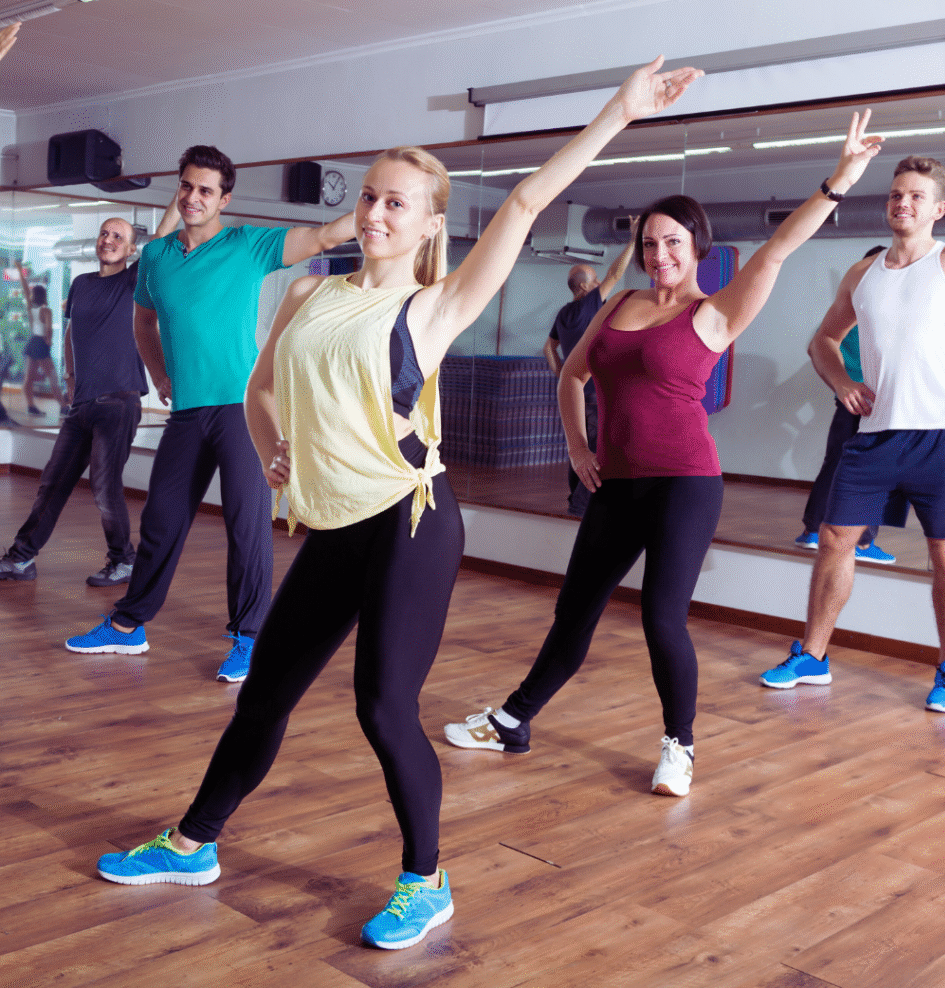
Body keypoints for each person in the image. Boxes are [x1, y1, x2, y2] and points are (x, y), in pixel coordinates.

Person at [90, 56, 703, 951]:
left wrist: (620, 111)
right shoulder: (311, 292)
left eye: (397, 204)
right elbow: (262, 390)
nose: (377, 214)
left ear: (428, 224)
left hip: (412, 521)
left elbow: (526, 202)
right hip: (336, 527)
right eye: (371, 197)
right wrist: (274, 452)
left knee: (382, 707)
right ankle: (192, 844)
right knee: (264, 695)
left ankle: (427, 879)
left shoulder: (435, 306)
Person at [445, 113, 883, 800]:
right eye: (650, 243)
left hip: (685, 483)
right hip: (616, 484)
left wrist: (838, 182)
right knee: (574, 612)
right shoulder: (618, 302)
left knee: (660, 618)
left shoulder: (715, 311)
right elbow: (572, 375)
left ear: (697, 246)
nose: (660, 254)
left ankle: (680, 745)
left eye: (672, 242)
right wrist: (578, 446)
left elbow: (776, 250)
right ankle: (512, 722)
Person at [65, 145, 357, 682]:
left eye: (206, 190)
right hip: (187, 413)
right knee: (161, 520)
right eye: (187, 186)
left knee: (247, 526)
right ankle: (128, 626)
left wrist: (377, 207)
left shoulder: (248, 244)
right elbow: (143, 323)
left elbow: (324, 237)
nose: (193, 197)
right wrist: (159, 374)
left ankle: (249, 637)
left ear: (224, 199)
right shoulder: (156, 256)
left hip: (242, 409)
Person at [760, 154, 945, 714]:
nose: (902, 203)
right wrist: (842, 383)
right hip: (876, 434)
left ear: (938, 209)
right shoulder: (864, 273)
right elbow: (823, 341)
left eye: (915, 196)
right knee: (834, 538)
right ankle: (813, 656)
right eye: (896, 194)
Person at [0, 210, 177, 585]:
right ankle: (21, 559)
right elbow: (71, 330)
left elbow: (161, 238)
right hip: (82, 404)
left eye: (118, 236)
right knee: (53, 483)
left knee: (103, 486)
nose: (108, 240)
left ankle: (123, 560)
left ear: (131, 249)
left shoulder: (133, 281)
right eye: (104, 233)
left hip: (118, 403)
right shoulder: (81, 283)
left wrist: (180, 198)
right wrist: (68, 374)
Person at [795, 247, 895, 564]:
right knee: (875, 472)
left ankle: (812, 531)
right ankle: (863, 543)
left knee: (836, 465)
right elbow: (818, 348)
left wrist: (841, 388)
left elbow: (817, 349)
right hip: (871, 403)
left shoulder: (855, 311)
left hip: (853, 401)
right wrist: (843, 386)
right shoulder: (872, 313)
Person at [544, 225, 637, 515]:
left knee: (578, 445)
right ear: (584, 288)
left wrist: (562, 374)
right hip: (593, 391)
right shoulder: (589, 305)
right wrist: (633, 240)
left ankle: (576, 499)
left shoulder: (564, 313)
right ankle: (583, 504)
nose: (599, 283)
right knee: (593, 448)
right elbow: (615, 275)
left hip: (575, 391)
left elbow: (548, 347)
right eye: (594, 280)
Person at [20, 271, 69, 417]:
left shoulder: (31, 308)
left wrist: (20, 270)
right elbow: (48, 329)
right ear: (44, 296)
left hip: (32, 342)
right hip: (41, 344)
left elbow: (25, 289)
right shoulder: (46, 310)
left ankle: (31, 406)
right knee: (53, 377)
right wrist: (49, 339)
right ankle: (63, 407)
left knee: (28, 379)